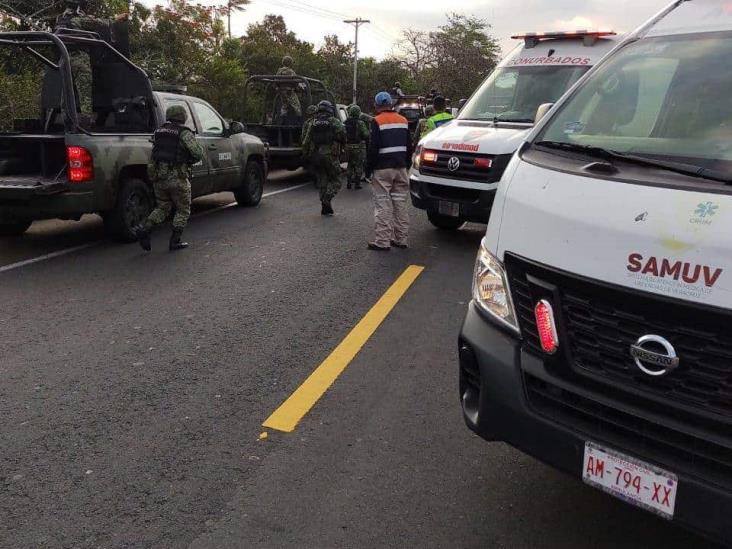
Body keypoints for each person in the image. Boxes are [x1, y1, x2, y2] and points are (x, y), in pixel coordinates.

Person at [135, 105, 204, 252]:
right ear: (182, 116)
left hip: (159, 178)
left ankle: (144, 228)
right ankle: (175, 241)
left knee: (162, 207)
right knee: (183, 210)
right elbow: (198, 154)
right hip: (178, 179)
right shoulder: (184, 133)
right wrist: (188, 160)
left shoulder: (159, 132)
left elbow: (155, 153)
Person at [365, 91, 411, 251]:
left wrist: (368, 169)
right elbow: (409, 146)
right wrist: (406, 165)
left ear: (377, 106)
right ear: (391, 104)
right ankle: (401, 239)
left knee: (383, 204)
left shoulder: (376, 121)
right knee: (400, 204)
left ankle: (382, 241)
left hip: (383, 169)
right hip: (401, 168)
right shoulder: (403, 120)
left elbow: (373, 148)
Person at [301, 100, 345, 215]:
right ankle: (327, 198)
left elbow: (305, 141)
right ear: (329, 109)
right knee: (337, 180)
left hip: (316, 155)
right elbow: (342, 133)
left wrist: (305, 155)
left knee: (322, 179)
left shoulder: (313, 123)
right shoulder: (333, 121)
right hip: (330, 154)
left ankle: (325, 206)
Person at [344, 104, 370, 190]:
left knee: (350, 165)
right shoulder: (360, 123)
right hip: (358, 147)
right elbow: (366, 134)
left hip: (347, 147)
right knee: (358, 165)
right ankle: (357, 184)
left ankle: (348, 183)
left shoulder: (345, 122)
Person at [276, 55, 302, 122]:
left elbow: (276, 80)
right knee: (297, 105)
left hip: (281, 91)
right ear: (290, 63)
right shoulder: (291, 71)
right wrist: (298, 88)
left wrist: (279, 88)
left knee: (285, 106)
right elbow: (296, 82)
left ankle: (282, 121)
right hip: (289, 91)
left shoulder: (279, 71)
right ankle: (299, 122)